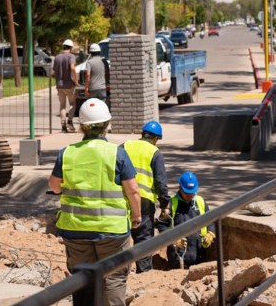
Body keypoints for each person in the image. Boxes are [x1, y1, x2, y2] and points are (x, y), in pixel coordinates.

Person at [48, 98, 142, 306]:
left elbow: (54, 186)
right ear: (107, 125)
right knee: (114, 279)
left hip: (76, 230)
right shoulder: (117, 153)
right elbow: (133, 190)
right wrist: (136, 218)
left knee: (82, 280)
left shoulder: (68, 153)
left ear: (81, 126)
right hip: (112, 232)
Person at [122, 120, 170, 273]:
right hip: (145, 201)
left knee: (121, 234)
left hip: (123, 197)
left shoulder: (125, 146)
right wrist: (164, 205)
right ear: (156, 138)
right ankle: (144, 273)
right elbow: (161, 182)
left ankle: (119, 271)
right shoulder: (155, 153)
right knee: (143, 238)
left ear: (142, 134)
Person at [158, 172, 215, 269]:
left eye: (192, 193)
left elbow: (210, 220)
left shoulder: (200, 201)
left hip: (199, 253)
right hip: (177, 255)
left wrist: (211, 233)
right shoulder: (171, 203)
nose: (189, 195)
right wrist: (173, 239)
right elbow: (162, 225)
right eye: (187, 193)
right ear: (180, 188)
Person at [53, 39, 77, 132]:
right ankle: (70, 121)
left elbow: (54, 71)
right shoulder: (71, 56)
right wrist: (76, 79)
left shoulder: (57, 57)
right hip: (69, 85)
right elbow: (72, 68)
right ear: (70, 48)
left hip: (59, 85)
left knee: (62, 106)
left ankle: (63, 126)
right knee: (72, 104)